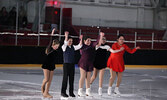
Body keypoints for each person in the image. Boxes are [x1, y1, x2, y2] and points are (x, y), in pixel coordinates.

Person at [77, 32, 104, 97]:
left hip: (90, 63)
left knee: (88, 78)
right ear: (84, 41)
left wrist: (100, 36)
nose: (89, 41)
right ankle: (80, 91)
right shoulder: (82, 46)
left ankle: (88, 91)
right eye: (87, 40)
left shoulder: (92, 46)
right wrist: (80, 39)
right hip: (83, 63)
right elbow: (80, 44)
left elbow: (98, 43)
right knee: (83, 76)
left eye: (90, 40)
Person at [61, 31, 83, 98]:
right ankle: (63, 92)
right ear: (67, 41)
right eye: (69, 41)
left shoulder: (73, 47)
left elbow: (80, 46)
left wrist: (81, 39)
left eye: (71, 41)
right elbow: (65, 42)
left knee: (71, 79)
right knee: (65, 79)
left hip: (72, 64)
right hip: (66, 64)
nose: (70, 42)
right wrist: (66, 36)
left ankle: (71, 92)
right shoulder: (64, 47)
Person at [41, 28, 60, 98]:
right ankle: (42, 86)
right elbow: (51, 40)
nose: (57, 47)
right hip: (46, 65)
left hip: (52, 65)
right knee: (46, 79)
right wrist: (52, 32)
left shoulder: (56, 50)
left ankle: (46, 92)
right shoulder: (49, 48)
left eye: (58, 46)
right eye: (56, 46)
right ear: (53, 45)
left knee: (50, 80)